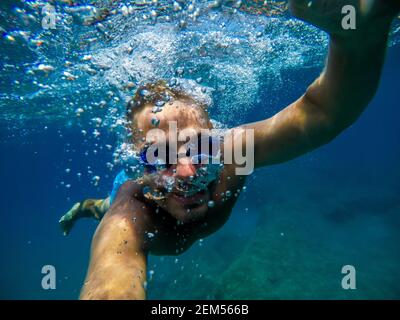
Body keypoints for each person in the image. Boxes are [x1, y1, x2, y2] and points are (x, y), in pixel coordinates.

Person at [61, 1, 400, 299]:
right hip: (120, 195)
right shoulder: (131, 212)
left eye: (199, 148)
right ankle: (83, 207)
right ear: (138, 160)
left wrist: (356, 39)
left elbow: (322, 115)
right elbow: (110, 281)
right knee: (104, 206)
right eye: (158, 158)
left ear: (215, 140)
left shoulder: (232, 156)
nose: (186, 174)